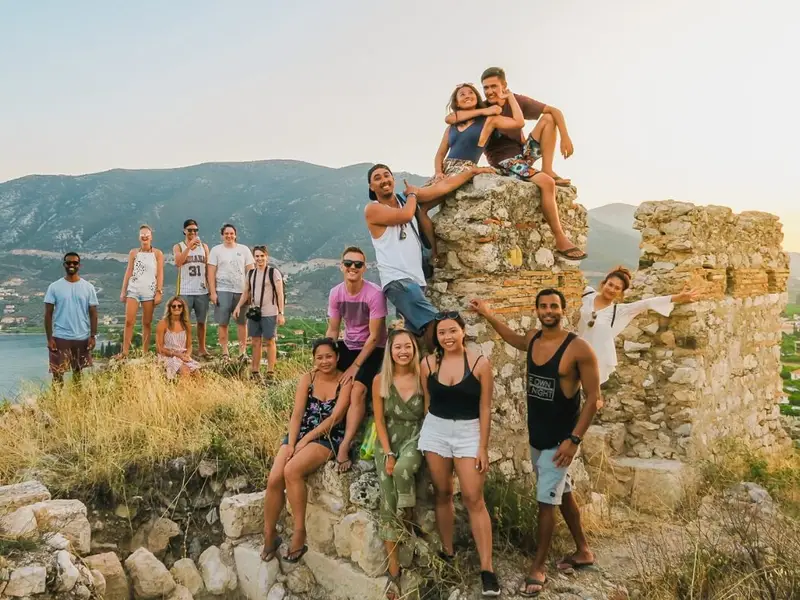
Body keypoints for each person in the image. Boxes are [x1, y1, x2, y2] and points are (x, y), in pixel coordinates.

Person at [470, 290, 601, 597]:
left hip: (560, 441)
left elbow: (595, 400)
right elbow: (514, 339)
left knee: (546, 504)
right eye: (543, 306)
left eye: (554, 306)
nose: (548, 310)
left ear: (563, 310)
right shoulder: (534, 339)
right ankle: (583, 550)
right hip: (538, 437)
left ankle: (537, 568)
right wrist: (488, 314)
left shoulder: (578, 349)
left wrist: (573, 440)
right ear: (537, 310)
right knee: (562, 494)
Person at [447, 67, 586, 262]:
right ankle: (560, 238)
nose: (489, 92)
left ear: (504, 86)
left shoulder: (516, 101)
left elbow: (554, 111)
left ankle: (548, 167)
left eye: (494, 86)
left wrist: (565, 136)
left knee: (547, 118)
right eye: (486, 88)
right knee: (547, 183)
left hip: (523, 154)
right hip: (504, 160)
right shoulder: (485, 110)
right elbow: (452, 118)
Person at [418, 312, 500, 597]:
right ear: (436, 337)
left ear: (463, 331)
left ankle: (487, 569)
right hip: (436, 431)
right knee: (442, 492)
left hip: (469, 432)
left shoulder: (480, 364)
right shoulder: (428, 363)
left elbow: (485, 408)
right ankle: (448, 552)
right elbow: (428, 402)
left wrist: (483, 447)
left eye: (452, 331)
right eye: (442, 333)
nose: (447, 337)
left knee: (473, 497)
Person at [405, 83, 519, 266]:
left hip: (465, 168)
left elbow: (518, 122)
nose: (467, 95)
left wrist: (510, 97)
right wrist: (438, 172)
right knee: (422, 209)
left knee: (418, 198)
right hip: (447, 169)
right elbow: (440, 154)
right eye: (462, 94)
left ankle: (412, 192)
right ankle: (432, 251)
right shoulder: (451, 126)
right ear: (456, 101)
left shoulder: (488, 120)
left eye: (471, 93)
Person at [260, 338, 352, 563]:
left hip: (328, 437)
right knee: (274, 478)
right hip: (299, 434)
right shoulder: (307, 379)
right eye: (319, 357)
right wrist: (291, 443)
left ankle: (299, 532)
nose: (324, 361)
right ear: (314, 360)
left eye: (329, 356)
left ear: (337, 357)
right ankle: (270, 534)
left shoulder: (345, 380)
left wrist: (306, 439)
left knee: (291, 471)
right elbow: (297, 414)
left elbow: (336, 417)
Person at [579, 266, 701, 406]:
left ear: (621, 293)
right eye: (610, 284)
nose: (611, 289)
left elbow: (647, 303)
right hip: (573, 350)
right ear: (603, 283)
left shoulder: (618, 311)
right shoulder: (586, 295)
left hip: (595, 358)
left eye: (617, 288)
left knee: (587, 400)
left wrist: (677, 298)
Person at [372, 328, 425, 600]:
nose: (403, 352)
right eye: (397, 348)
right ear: (390, 352)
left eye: (408, 347)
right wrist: (388, 454)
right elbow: (379, 421)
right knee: (387, 497)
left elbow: (428, 414)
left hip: (416, 435)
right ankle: (394, 570)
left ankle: (407, 518)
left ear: (414, 350)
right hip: (388, 440)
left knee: (405, 469)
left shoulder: (422, 376)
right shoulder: (381, 380)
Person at [325, 246, 388, 472]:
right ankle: (324, 432)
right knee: (328, 382)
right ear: (341, 266)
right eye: (349, 263)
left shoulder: (374, 294)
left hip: (373, 348)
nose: (353, 267)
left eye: (358, 264)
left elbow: (374, 336)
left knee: (358, 390)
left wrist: (355, 366)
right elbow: (333, 329)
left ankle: (345, 444)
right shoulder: (336, 293)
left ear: (365, 268)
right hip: (349, 344)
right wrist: (326, 355)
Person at [365, 164, 439, 350]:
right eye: (377, 178)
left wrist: (471, 172)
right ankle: (436, 368)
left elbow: (439, 192)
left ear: (393, 179)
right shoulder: (373, 209)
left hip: (416, 280)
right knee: (437, 323)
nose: (383, 180)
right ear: (371, 187)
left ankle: (400, 375)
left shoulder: (404, 201)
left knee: (409, 338)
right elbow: (406, 215)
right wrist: (413, 194)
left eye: (386, 175)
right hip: (398, 281)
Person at [44, 252, 98, 384]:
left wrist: (92, 336)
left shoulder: (88, 287)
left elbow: (93, 313)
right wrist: (50, 338)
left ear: (80, 265)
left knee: (78, 374)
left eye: (75, 263)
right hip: (61, 337)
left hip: (82, 337)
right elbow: (48, 314)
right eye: (69, 263)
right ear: (64, 265)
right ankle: (57, 403)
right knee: (57, 375)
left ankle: (76, 403)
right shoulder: (54, 287)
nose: (72, 265)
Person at [233, 245, 285, 381]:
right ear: (254, 257)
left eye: (262, 256)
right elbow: (246, 292)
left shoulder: (273, 272)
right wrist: (238, 306)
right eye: (257, 256)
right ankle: (255, 371)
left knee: (270, 340)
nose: (259, 258)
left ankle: (270, 371)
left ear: (266, 256)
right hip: (255, 312)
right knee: (255, 341)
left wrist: (281, 312)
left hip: (270, 311)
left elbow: (280, 294)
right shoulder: (251, 274)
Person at [207, 224, 255, 360]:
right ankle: (224, 352)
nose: (229, 236)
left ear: (235, 235)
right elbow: (211, 272)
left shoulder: (244, 250)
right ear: (222, 235)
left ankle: (242, 352)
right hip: (222, 290)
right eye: (226, 233)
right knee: (223, 323)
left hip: (241, 291)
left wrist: (250, 291)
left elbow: (250, 271)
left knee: (242, 322)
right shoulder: (216, 250)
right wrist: (212, 292)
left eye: (231, 233)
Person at [119, 225, 164, 357]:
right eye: (142, 235)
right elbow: (128, 272)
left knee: (147, 322)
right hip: (133, 290)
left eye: (147, 235)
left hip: (149, 291)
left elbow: (160, 273)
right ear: (139, 237)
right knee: (129, 321)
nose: (144, 237)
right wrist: (123, 291)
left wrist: (159, 291)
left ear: (151, 237)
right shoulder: (133, 253)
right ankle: (125, 352)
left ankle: (145, 352)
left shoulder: (157, 253)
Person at [174, 219, 211, 359]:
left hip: (202, 290)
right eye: (190, 230)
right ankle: (185, 349)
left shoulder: (204, 247)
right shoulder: (178, 246)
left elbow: (208, 268)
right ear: (184, 231)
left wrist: (211, 290)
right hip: (185, 290)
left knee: (202, 321)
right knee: (184, 322)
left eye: (195, 230)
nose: (193, 232)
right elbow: (178, 262)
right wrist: (189, 247)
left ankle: (202, 349)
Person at [155, 297, 201, 380]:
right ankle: (182, 392)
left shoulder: (186, 324)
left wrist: (187, 355)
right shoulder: (163, 324)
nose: (177, 308)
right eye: (174, 306)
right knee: (185, 371)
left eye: (179, 306)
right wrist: (176, 354)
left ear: (183, 308)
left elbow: (189, 345)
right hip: (167, 356)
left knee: (197, 373)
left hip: (182, 356)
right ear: (169, 308)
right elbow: (159, 348)